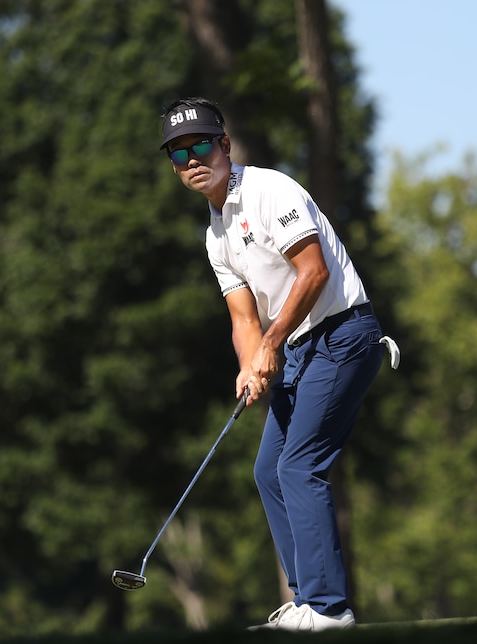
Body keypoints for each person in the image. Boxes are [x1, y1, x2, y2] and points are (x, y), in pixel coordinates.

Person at [160, 97, 396, 631]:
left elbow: (312, 272)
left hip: (344, 333)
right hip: (296, 347)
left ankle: (329, 608)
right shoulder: (215, 233)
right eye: (178, 153)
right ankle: (305, 601)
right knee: (269, 469)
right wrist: (251, 364)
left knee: (299, 465)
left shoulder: (270, 190)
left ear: (224, 145)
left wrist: (271, 344)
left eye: (200, 144)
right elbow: (243, 319)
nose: (192, 159)